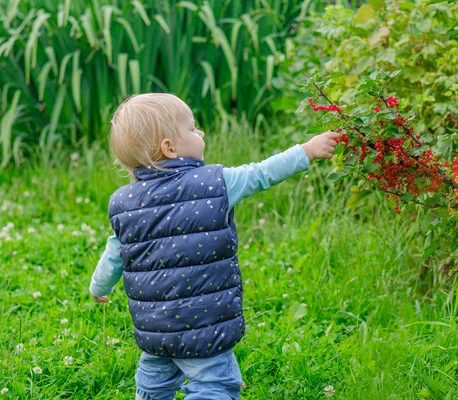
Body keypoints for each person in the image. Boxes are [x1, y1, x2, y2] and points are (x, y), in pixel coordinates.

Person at [88, 93, 339, 400]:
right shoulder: (215, 183)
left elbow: (114, 252)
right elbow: (262, 174)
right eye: (193, 129)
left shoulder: (124, 204)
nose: (201, 133)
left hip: (155, 330)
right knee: (214, 386)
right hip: (204, 327)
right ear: (169, 147)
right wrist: (307, 151)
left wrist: (98, 285)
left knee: (154, 384)